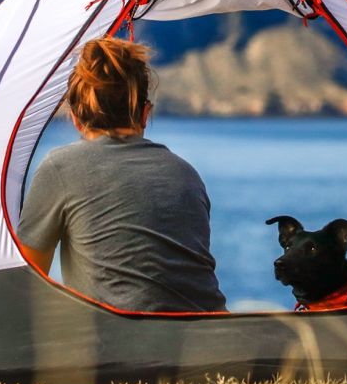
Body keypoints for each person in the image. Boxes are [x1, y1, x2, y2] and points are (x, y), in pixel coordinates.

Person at [17, 37, 226, 313]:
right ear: (145, 114)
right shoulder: (185, 173)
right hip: (213, 338)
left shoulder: (60, 168)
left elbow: (29, 281)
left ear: (77, 118)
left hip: (121, 345)